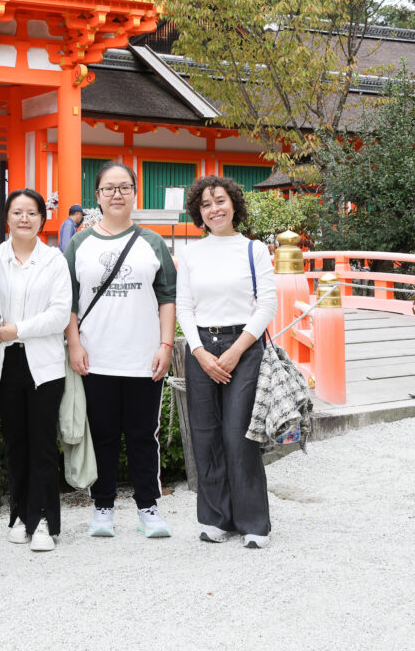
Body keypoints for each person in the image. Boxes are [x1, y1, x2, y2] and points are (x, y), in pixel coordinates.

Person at [65, 161, 177, 539]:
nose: (117, 194)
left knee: (144, 434)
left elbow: (167, 297)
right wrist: (74, 344)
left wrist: (165, 344)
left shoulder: (153, 243)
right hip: (96, 355)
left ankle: (148, 506)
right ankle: (103, 506)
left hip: (144, 356)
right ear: (97, 196)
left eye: (124, 187)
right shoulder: (80, 243)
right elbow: (70, 301)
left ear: (134, 193)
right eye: (109, 188)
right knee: (103, 434)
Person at [176, 175, 277, 549]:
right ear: (197, 212)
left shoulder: (254, 250)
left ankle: (253, 521)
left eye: (220, 201)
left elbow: (267, 304)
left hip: (244, 344)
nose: (214, 209)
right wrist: (200, 351)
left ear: (233, 204)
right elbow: (184, 305)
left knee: (239, 435)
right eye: (205, 204)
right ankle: (216, 518)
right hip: (201, 344)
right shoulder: (190, 252)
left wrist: (235, 351)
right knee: (206, 434)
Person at [0, 189, 71, 552]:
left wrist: (19, 329)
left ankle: (45, 519)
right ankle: (19, 514)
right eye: (17, 212)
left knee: (43, 444)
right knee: (15, 443)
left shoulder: (54, 260)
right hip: (6, 363)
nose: (25, 219)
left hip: (44, 364)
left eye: (32, 213)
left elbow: (60, 313)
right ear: (7, 218)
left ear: (41, 219)